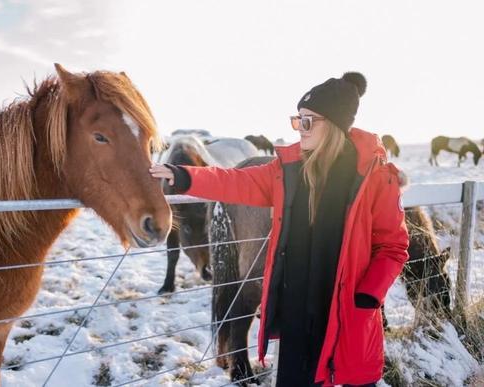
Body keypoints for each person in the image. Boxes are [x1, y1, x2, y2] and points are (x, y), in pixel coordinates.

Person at [150, 72, 409, 386]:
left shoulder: (376, 178)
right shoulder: (287, 172)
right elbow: (235, 182)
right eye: (297, 120)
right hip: (296, 314)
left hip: (346, 314)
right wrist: (183, 176)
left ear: (335, 125)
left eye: (308, 121)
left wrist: (368, 295)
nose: (300, 129)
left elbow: (393, 246)